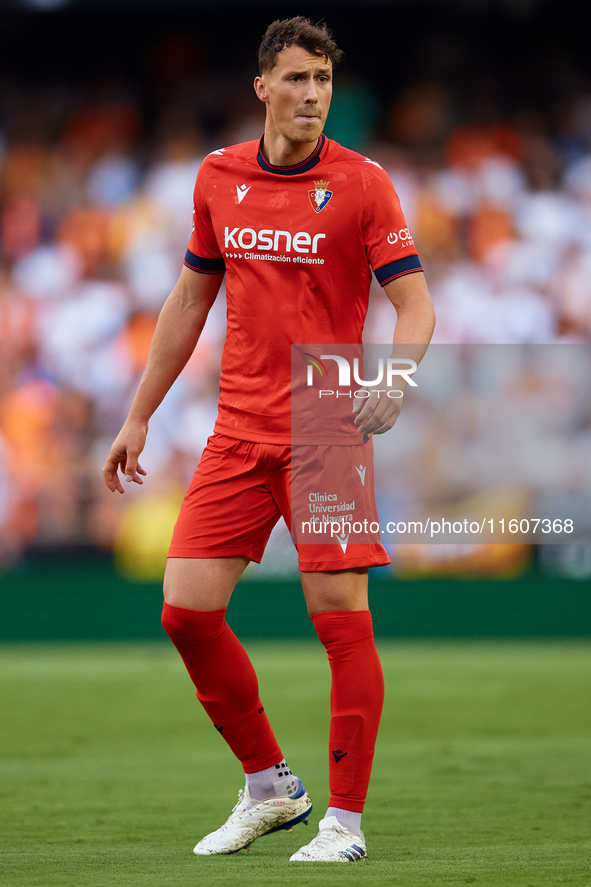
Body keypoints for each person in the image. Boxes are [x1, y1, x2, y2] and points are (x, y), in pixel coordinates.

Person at [102, 16, 435, 863]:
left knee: (340, 621)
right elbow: (187, 302)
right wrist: (139, 412)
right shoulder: (218, 177)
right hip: (238, 423)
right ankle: (271, 786)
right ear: (262, 86)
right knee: (185, 612)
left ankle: (345, 825)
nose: (312, 96)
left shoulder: (362, 184)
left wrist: (391, 381)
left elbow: (414, 303)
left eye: (322, 80)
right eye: (295, 79)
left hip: (325, 421)